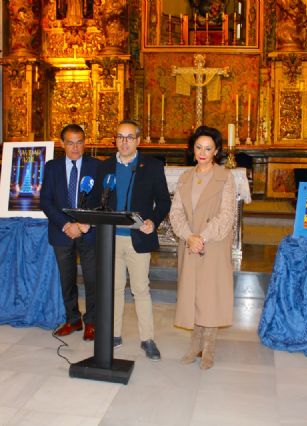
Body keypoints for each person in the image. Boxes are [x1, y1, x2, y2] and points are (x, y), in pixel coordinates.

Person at [91, 119, 171, 360]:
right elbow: (96, 199)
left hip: (137, 239)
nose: (124, 142)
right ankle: (113, 335)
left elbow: (164, 201)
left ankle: (147, 339)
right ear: (115, 140)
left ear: (138, 140)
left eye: (129, 137)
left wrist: (152, 221)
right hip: (110, 238)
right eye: (120, 137)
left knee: (140, 289)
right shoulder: (104, 167)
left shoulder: (153, 166)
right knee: (113, 288)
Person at [169, 125, 237, 369]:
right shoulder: (185, 177)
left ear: (216, 151)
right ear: (193, 148)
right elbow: (175, 212)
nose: (202, 152)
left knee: (210, 295)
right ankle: (194, 344)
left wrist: (203, 237)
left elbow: (227, 214)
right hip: (189, 245)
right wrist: (189, 236)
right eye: (199, 147)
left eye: (208, 148)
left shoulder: (225, 178)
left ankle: (208, 348)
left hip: (213, 245)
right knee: (192, 294)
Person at [40, 124, 100, 341]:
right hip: (61, 232)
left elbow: (103, 200)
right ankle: (73, 320)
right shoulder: (52, 167)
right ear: (62, 144)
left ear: (85, 143)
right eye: (70, 142)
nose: (75, 147)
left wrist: (84, 223)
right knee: (67, 280)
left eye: (79, 142)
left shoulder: (96, 166)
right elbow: (45, 201)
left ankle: (91, 322)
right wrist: (66, 225)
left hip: (89, 233)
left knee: (93, 280)